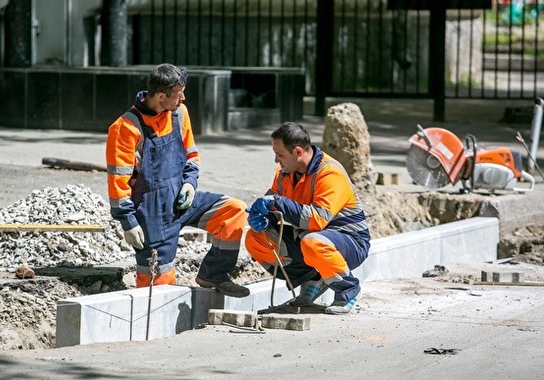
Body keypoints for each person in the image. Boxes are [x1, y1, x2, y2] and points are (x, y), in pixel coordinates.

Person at [106, 63, 249, 297]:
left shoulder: (179, 113)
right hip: (151, 212)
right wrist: (128, 222)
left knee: (233, 211)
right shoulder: (125, 128)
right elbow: (117, 182)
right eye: (179, 93)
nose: (184, 97)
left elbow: (191, 155)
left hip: (180, 200)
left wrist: (190, 183)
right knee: (158, 283)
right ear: (161, 96)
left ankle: (214, 273)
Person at [244, 122, 370, 314]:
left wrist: (277, 202)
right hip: (308, 238)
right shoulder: (284, 173)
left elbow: (316, 220)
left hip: (350, 242)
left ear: (297, 152)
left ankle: (348, 289)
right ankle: (311, 279)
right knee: (256, 239)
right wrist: (264, 218)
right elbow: (273, 203)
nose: (276, 160)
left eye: (280, 155)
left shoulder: (329, 173)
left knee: (312, 242)